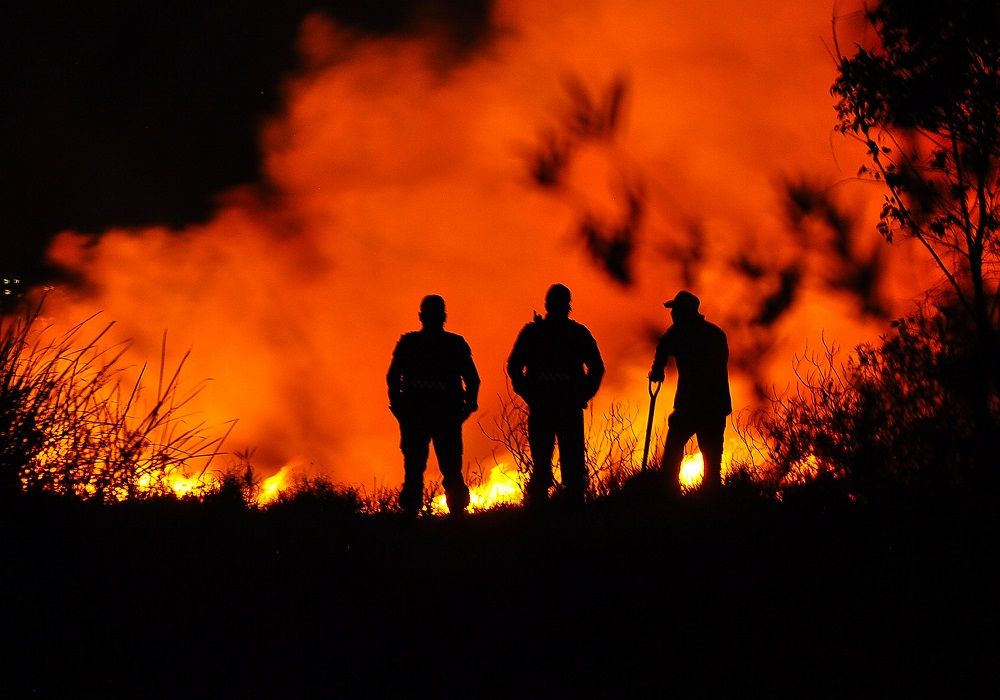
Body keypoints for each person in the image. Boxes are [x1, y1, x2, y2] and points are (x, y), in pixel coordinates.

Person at [507, 283, 605, 506]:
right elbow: (514, 367)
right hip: (548, 407)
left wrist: (582, 395)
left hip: (562, 407)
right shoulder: (539, 333)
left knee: (569, 467)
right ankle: (549, 513)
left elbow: (597, 368)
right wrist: (529, 394)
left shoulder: (574, 333)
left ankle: (565, 513)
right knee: (545, 465)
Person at [387, 295, 480, 517]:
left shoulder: (409, 344)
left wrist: (399, 407)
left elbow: (392, 379)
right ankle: (456, 516)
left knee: (415, 468)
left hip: (419, 416)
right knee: (448, 467)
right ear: (444, 317)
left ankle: (412, 516)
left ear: (421, 317)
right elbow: (473, 380)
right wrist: (467, 408)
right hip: (443, 416)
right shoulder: (454, 344)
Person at [649, 290, 732, 495]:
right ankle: (709, 496)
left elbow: (664, 347)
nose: (672, 314)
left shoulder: (680, 333)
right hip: (714, 404)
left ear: (684, 312)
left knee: (674, 451)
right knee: (712, 456)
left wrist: (658, 369)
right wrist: (659, 367)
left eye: (675, 310)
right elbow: (664, 347)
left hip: (693, 404)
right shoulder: (714, 333)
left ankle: (670, 494)